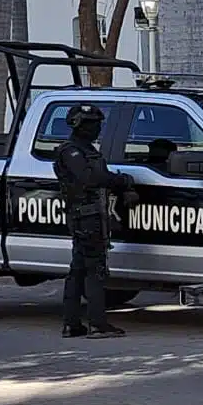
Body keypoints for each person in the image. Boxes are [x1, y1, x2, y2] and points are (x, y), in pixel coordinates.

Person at [54, 104, 138, 339]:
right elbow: (90, 178)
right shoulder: (71, 152)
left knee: (79, 270)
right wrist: (121, 181)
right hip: (86, 217)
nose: (97, 128)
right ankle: (97, 324)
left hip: (91, 215)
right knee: (94, 271)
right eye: (92, 124)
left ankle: (72, 325)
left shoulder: (86, 149)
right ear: (79, 125)